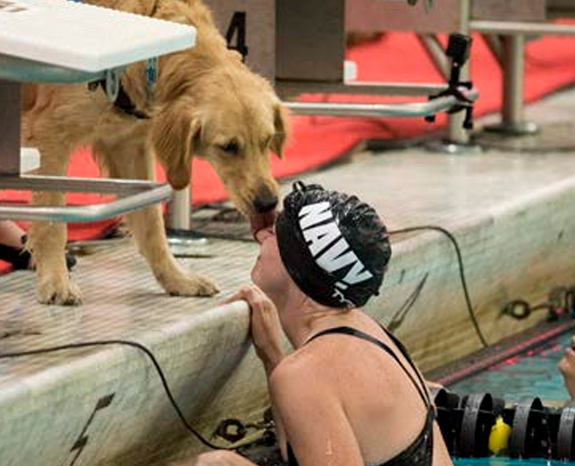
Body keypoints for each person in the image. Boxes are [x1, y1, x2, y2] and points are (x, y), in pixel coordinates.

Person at [174, 183, 453, 466]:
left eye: (275, 233)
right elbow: (302, 450)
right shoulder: (368, 332)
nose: (260, 235)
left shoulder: (307, 374)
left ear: (300, 267)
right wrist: (272, 357)